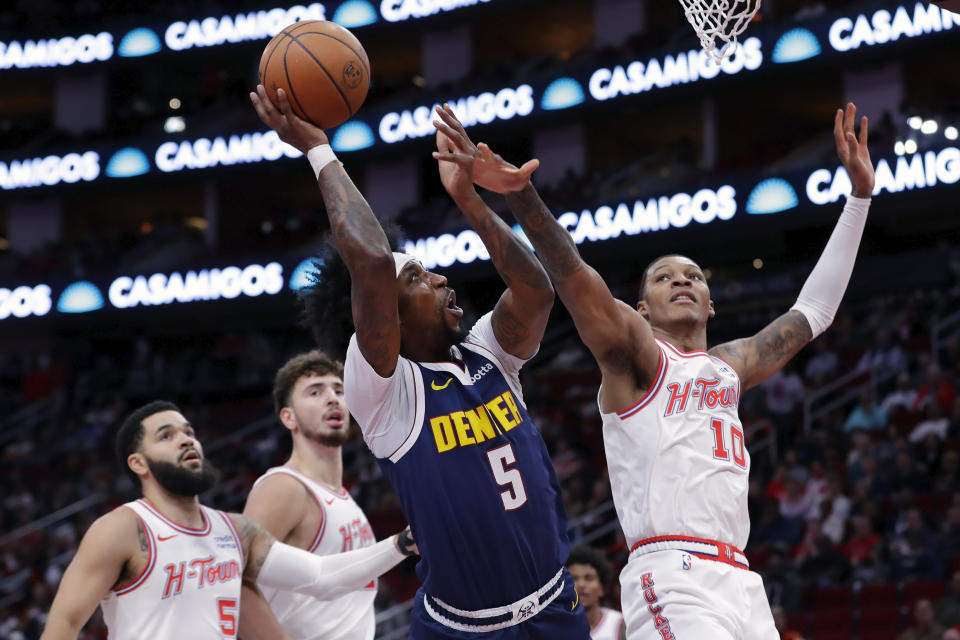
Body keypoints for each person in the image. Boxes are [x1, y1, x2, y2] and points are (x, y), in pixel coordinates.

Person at [436, 102, 875, 639]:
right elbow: (574, 278)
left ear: (711, 303)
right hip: (673, 574)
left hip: (740, 578)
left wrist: (858, 197)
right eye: (664, 278)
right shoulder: (638, 357)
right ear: (641, 309)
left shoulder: (728, 367)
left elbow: (815, 312)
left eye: (693, 275)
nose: (682, 281)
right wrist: (520, 196)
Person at [250, 87, 588, 637]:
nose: (440, 279)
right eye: (419, 278)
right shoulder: (382, 390)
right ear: (388, 310)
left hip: (554, 609)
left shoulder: (486, 353)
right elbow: (372, 260)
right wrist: (318, 151)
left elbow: (535, 293)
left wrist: (471, 201)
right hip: (461, 627)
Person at [41, 400, 415, 639]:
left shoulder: (235, 530)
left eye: (189, 432)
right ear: (139, 463)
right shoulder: (123, 529)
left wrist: (401, 543)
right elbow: (63, 624)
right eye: (166, 436)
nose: (187, 440)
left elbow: (320, 576)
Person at [240, 351, 413, 639]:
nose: (332, 398)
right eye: (315, 392)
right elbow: (234, 582)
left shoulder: (342, 496)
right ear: (289, 418)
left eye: (339, 390)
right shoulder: (284, 487)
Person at [567, 546, 626, 640]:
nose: (581, 584)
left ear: (601, 588)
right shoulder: (558, 631)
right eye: (574, 579)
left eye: (588, 578)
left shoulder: (619, 624)